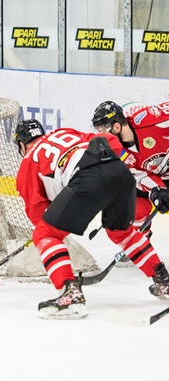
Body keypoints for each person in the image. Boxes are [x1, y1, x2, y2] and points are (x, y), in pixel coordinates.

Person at [14, 119, 169, 320]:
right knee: (121, 232)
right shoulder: (64, 132)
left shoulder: (28, 162)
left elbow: (38, 214)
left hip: (88, 181)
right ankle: (163, 280)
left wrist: (55, 223)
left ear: (21, 145)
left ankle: (71, 295)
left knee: (44, 233)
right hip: (121, 173)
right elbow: (110, 140)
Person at [91, 101, 169, 232]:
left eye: (103, 131)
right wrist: (158, 191)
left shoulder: (151, 119)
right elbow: (141, 176)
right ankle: (140, 242)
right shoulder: (117, 152)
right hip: (162, 176)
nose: (102, 138)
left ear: (116, 127)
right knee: (132, 202)